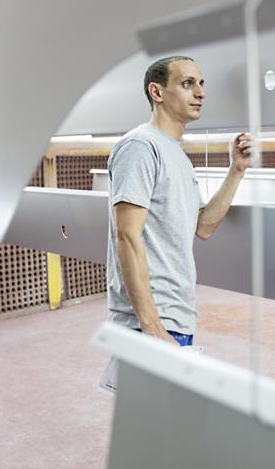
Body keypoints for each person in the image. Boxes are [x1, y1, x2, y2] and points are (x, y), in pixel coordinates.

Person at [106, 55, 251, 347]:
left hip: (175, 318)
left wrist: (236, 169)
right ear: (157, 92)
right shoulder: (141, 147)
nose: (201, 93)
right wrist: (151, 326)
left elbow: (203, 227)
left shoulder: (177, 155)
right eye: (187, 84)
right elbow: (127, 236)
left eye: (200, 84)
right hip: (148, 324)